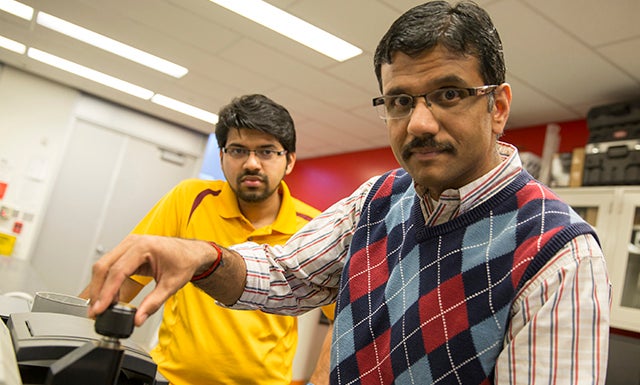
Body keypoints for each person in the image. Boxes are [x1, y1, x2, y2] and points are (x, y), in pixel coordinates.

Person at [87, 2, 611, 384]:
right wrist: (202, 255)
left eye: (448, 94)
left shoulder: (558, 253)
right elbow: (288, 275)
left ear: (497, 106)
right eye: (400, 101)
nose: (420, 123)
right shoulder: (379, 197)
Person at [81, 94, 332, 385]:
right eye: (238, 150)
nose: (252, 163)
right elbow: (123, 277)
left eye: (266, 152)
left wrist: (319, 380)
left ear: (289, 161)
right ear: (222, 156)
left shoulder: (314, 227)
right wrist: (66, 336)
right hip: (171, 378)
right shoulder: (189, 199)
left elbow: (345, 315)